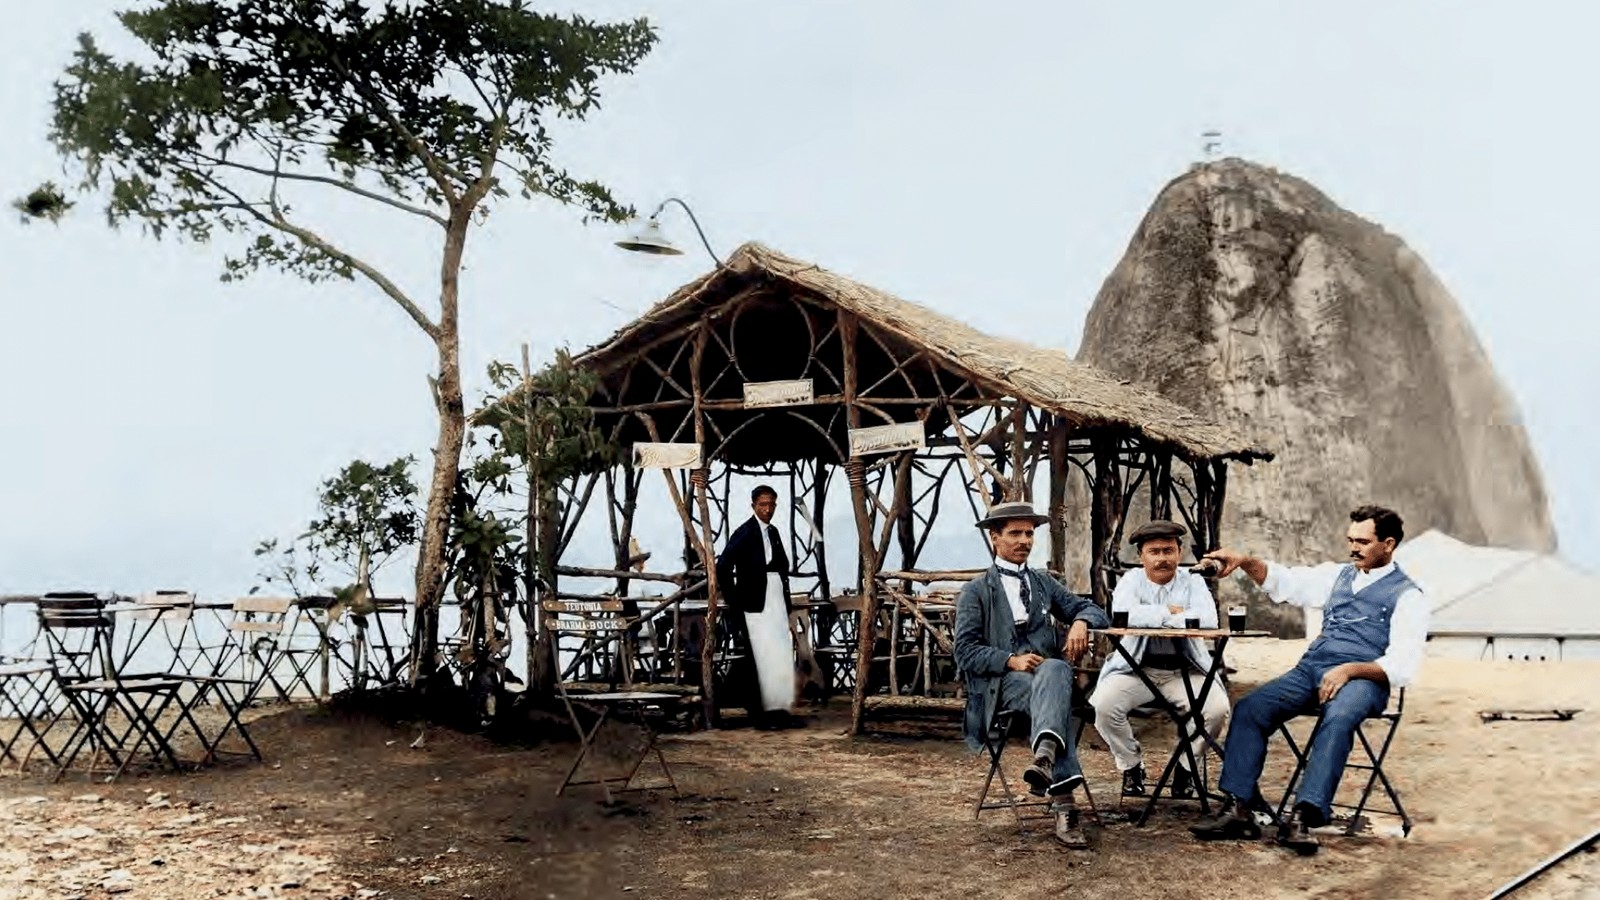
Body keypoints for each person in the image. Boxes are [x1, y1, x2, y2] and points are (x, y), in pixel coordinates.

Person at [1189, 504, 1428, 855]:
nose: (1353, 548)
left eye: (1362, 541)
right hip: (1312, 669)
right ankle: (1240, 809)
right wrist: (1243, 561)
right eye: (1351, 540)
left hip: (1366, 680)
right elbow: (1287, 582)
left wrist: (1350, 670)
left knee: (1340, 716)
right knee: (1251, 708)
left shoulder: (1408, 595)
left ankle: (1302, 817)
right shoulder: (1338, 576)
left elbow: (1404, 664)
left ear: (1388, 544)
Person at [955, 501, 1111, 849]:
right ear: (995, 538)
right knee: (1056, 681)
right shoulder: (976, 591)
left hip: (1047, 681)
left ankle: (1044, 758)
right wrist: (1010, 660)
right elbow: (964, 653)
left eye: (1029, 533)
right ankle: (1064, 804)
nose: (1024, 540)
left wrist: (1081, 622)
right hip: (1001, 688)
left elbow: (1095, 610)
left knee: (1054, 669)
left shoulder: (1043, 583)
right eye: (1015, 533)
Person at [1090, 520, 1230, 799]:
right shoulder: (1131, 581)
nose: (1162, 559)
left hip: (1186, 671)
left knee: (1216, 709)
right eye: (1154, 552)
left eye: (1169, 551)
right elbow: (1123, 614)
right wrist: (1172, 613)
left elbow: (1208, 620)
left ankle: (1186, 767)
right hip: (1137, 669)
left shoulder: (1193, 580)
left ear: (1179, 553)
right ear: (1141, 557)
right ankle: (1131, 765)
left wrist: (1150, 613)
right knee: (1104, 707)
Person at [716, 485, 802, 729]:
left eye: (771, 505)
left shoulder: (773, 532)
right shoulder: (744, 533)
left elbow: (782, 567)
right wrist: (735, 601)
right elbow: (723, 567)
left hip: (775, 600)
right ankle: (759, 713)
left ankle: (779, 709)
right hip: (754, 604)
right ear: (753, 505)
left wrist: (785, 602)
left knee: (778, 655)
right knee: (760, 657)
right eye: (763, 505)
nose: (767, 509)